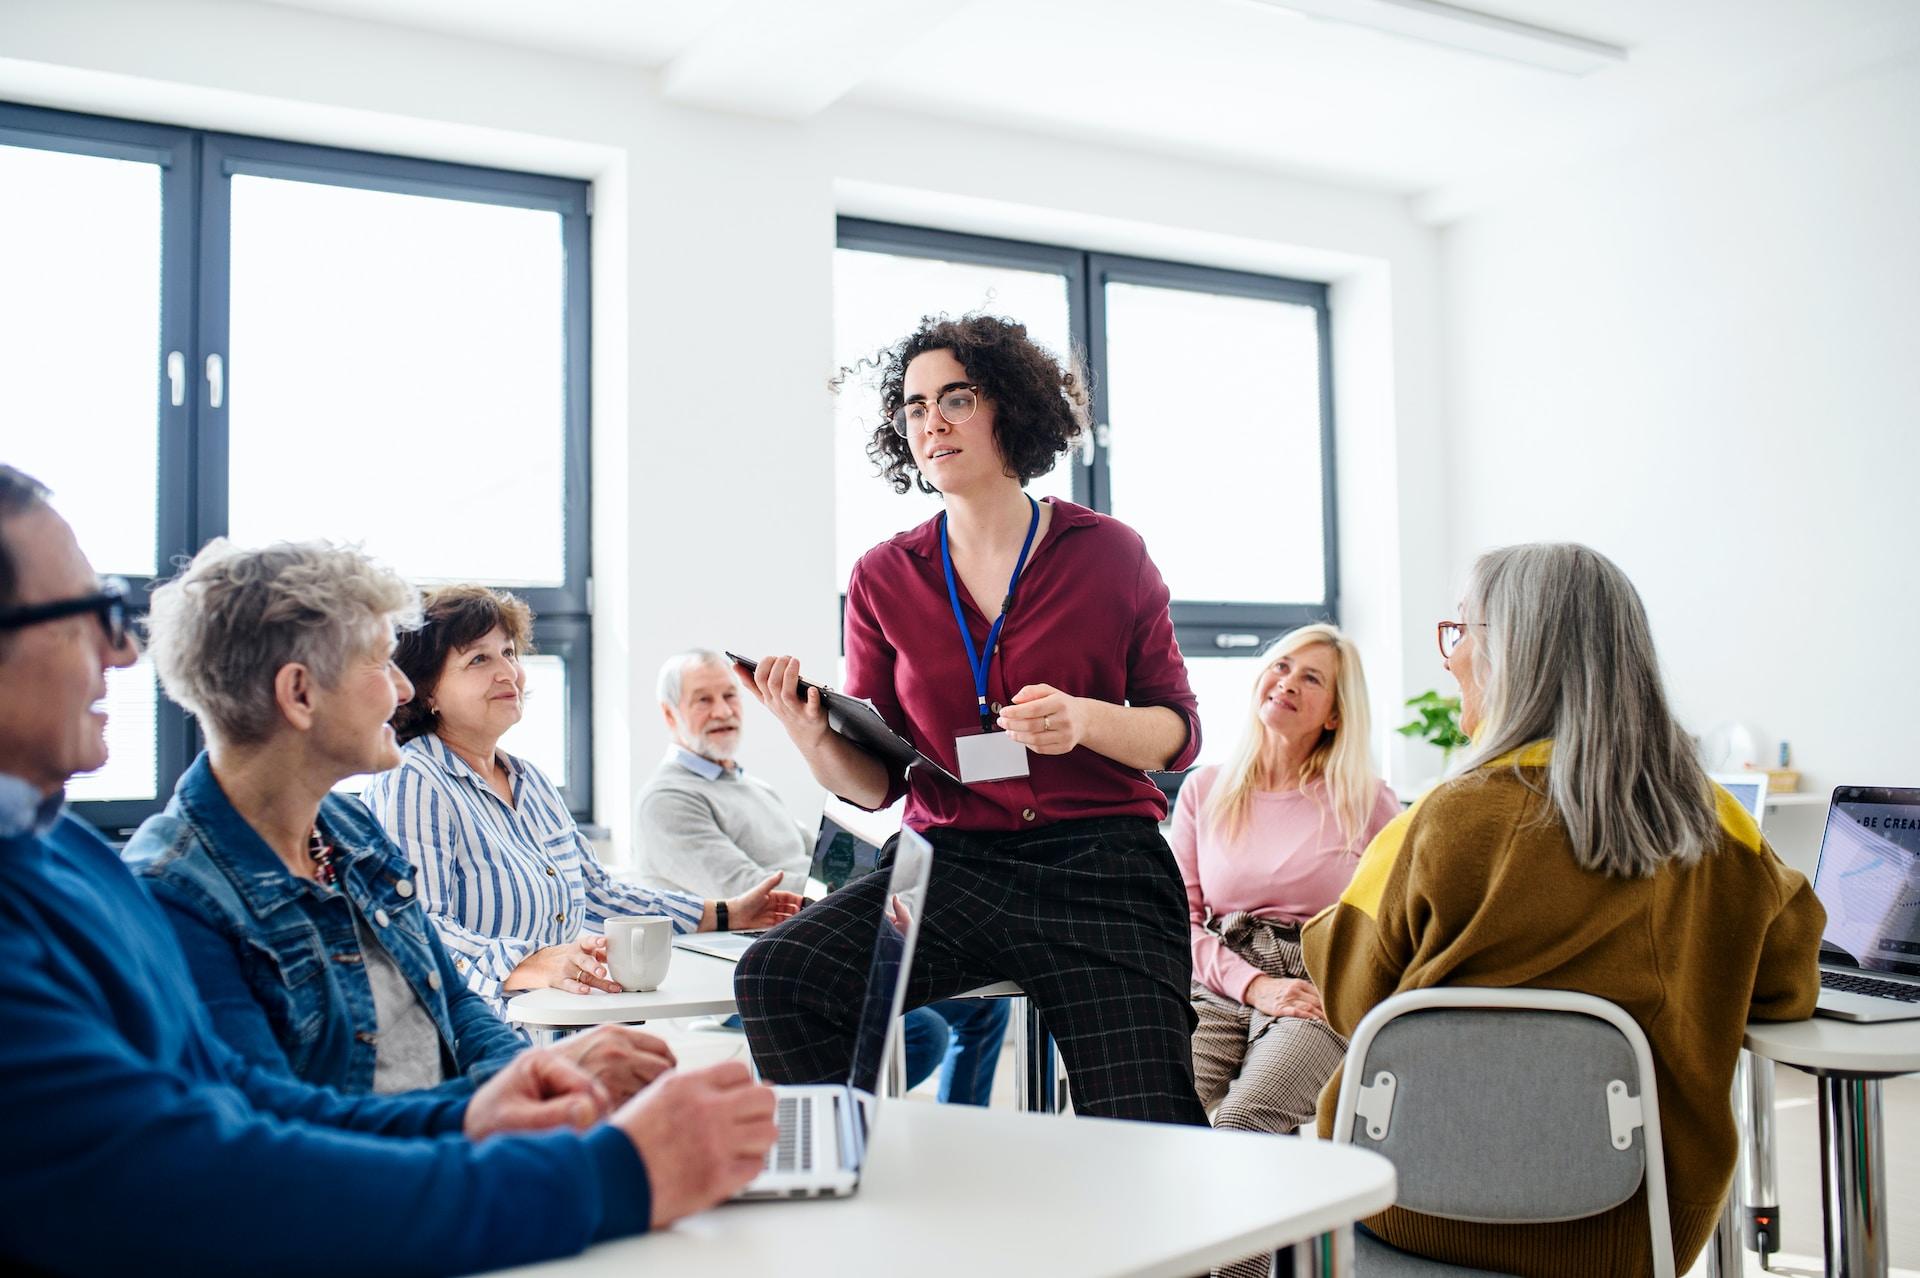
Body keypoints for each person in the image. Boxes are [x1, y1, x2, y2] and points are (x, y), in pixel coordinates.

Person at [0, 465, 777, 1275]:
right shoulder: (167, 885)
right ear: (300, 695)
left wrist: (501, 1097)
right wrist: (611, 1169)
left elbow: (242, 1096)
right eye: (383, 661)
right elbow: (228, 1170)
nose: (122, 651)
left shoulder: (80, 853)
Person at [736, 314, 1208, 1126]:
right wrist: (811, 735)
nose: (932, 423)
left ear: (1012, 410)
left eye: (956, 397)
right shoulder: (885, 575)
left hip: (1098, 866)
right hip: (951, 866)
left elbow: (1177, 729)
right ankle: (849, 1193)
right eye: (914, 408)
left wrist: (1087, 722)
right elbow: (880, 781)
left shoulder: (1110, 554)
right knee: (779, 977)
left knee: (1150, 1124)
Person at [1304, 543, 1825, 1276]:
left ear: (1511, 653)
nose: (1450, 658)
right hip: (1635, 1228)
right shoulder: (1713, 826)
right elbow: (1789, 986)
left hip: (1410, 1204)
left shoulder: (1435, 822)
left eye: (1461, 633)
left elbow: (1353, 999)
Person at [125, 539, 671, 1103]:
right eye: (381, 663)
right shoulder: (178, 893)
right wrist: (504, 1106)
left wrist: (546, 1080)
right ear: (299, 692)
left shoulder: (347, 831)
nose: (406, 689)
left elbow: (453, 1000)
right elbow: (279, 1128)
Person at [360, 587, 802, 1018]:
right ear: (427, 690)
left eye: (509, 653)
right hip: (471, 1040)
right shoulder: (412, 779)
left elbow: (597, 895)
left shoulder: (528, 780)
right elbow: (419, 928)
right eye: (479, 659)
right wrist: (531, 963)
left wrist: (727, 913)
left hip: (554, 1027)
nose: (507, 672)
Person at [641, 649, 1008, 1104]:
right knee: (924, 1032)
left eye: (729, 696)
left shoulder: (753, 787)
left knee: (986, 1011)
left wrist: (872, 876)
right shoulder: (668, 799)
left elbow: (818, 861)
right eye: (702, 700)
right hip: (753, 960)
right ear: (669, 713)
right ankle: (831, 1124)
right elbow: (754, 894)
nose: (722, 711)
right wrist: (861, 888)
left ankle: (958, 1126)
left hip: (813, 925)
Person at [1171, 623, 1398, 1138]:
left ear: (1337, 714)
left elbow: (1390, 926)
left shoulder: (1367, 799)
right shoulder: (1204, 789)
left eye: (1312, 678)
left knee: (1243, 1124)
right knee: (1140, 1111)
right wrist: (1253, 985)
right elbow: (1177, 923)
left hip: (1317, 985)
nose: (1288, 682)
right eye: (1281, 665)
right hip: (1219, 975)